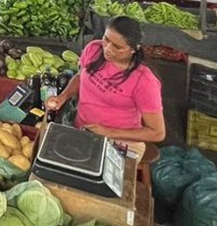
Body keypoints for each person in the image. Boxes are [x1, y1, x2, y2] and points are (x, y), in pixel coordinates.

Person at [45, 16, 165, 159]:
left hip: (120, 142)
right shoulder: (94, 49)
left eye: (117, 47)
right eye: (106, 39)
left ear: (133, 49)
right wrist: (63, 96)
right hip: (82, 130)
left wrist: (108, 132)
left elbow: (157, 133)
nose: (107, 48)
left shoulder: (144, 81)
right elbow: (80, 76)